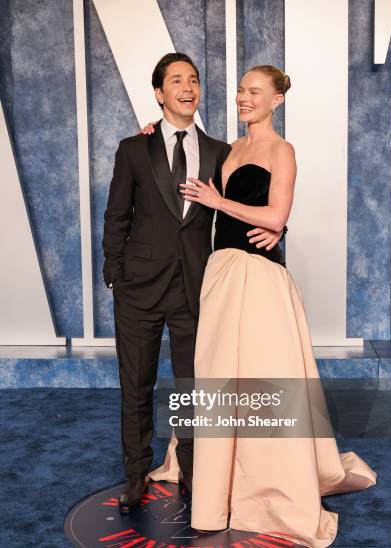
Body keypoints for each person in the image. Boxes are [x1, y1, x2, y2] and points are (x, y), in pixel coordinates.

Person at [147, 64, 377, 548]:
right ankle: (216, 486)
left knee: (261, 376)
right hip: (221, 272)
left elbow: (276, 214)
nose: (243, 98)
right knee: (217, 376)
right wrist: (151, 130)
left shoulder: (281, 150)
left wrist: (224, 203)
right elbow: (181, 147)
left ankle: (266, 490)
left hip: (261, 275)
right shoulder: (225, 149)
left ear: (277, 100)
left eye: (254, 92)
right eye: (240, 91)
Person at [102, 53, 282, 513]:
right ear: (160, 94)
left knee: (193, 388)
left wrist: (278, 228)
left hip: (196, 288)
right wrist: (115, 273)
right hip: (138, 289)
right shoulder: (133, 148)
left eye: (194, 79)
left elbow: (253, 199)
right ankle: (135, 473)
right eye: (176, 80)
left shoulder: (223, 151)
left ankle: (193, 473)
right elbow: (116, 215)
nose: (188, 87)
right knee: (136, 386)